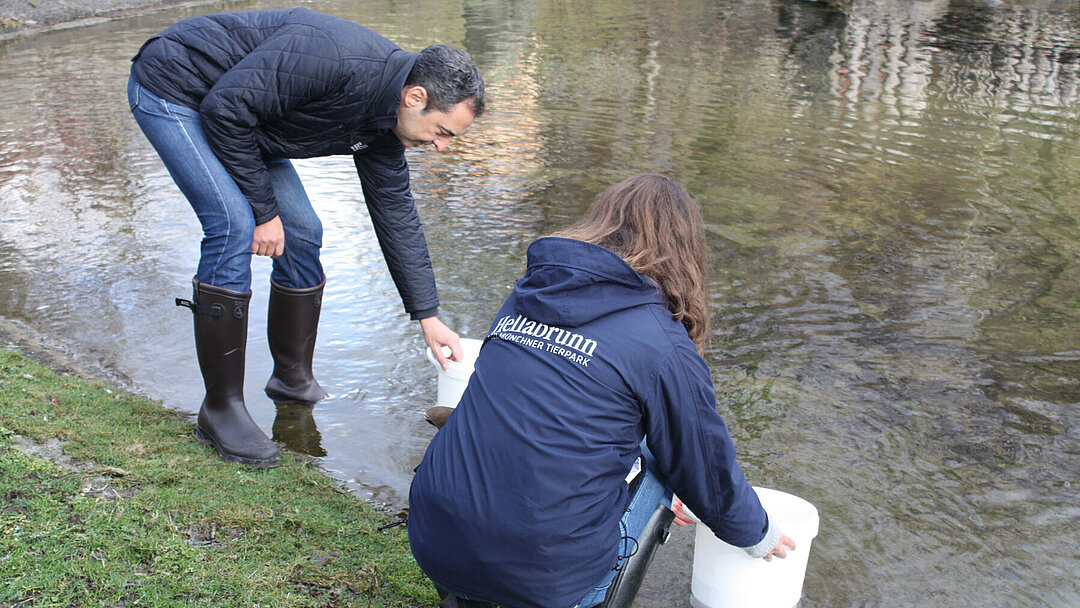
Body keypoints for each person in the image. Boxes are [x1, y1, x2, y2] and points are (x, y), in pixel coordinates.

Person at [408, 175, 795, 607]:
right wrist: (757, 533)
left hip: (433, 540)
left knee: (634, 427)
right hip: (544, 580)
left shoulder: (527, 296)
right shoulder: (662, 343)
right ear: (683, 251)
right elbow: (704, 465)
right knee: (669, 454)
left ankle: (469, 594)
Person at [127, 8, 485, 468]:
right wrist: (263, 211)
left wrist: (428, 316)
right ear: (415, 97)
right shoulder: (333, 57)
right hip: (178, 88)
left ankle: (291, 382)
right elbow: (225, 110)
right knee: (234, 226)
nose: (442, 146)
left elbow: (397, 216)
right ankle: (221, 411)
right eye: (442, 132)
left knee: (303, 233)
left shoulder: (385, 125)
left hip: (245, 120)